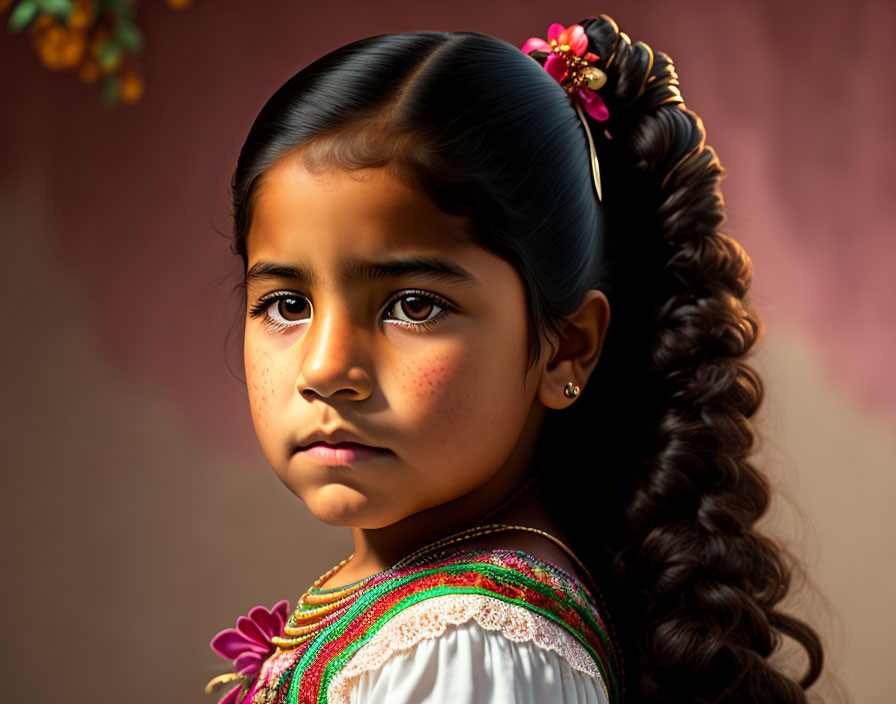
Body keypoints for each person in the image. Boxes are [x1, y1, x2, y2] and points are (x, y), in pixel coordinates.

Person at [204, 14, 824, 704]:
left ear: (568, 347)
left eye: (412, 306)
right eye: (288, 305)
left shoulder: (467, 648)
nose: (324, 369)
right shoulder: (414, 611)